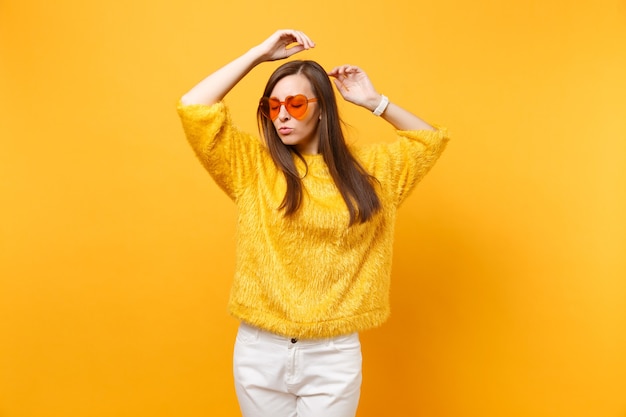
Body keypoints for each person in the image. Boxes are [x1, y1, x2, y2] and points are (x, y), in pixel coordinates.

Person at [177, 29, 449, 417]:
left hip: (332, 354)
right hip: (260, 349)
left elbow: (427, 141)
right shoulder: (253, 168)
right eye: (273, 106)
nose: (282, 114)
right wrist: (257, 55)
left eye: (296, 103)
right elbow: (194, 106)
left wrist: (374, 102)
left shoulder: (372, 173)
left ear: (322, 107)